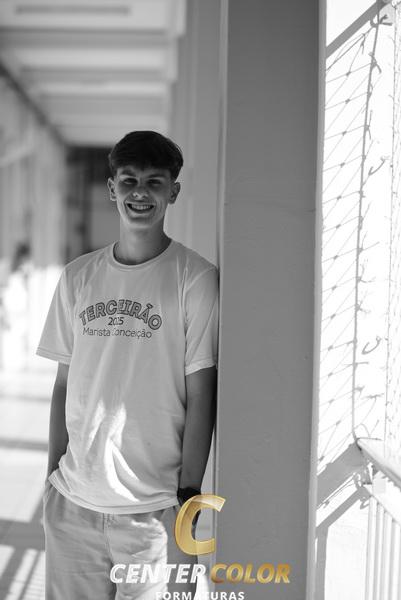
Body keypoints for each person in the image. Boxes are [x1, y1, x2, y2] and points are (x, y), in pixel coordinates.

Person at [37, 130, 219, 600]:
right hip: (73, 504)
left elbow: (202, 393)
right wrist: (52, 478)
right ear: (111, 188)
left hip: (155, 511)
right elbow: (63, 384)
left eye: (155, 182)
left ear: (173, 192)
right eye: (130, 180)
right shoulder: (78, 277)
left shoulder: (195, 279)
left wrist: (188, 496)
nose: (141, 192)